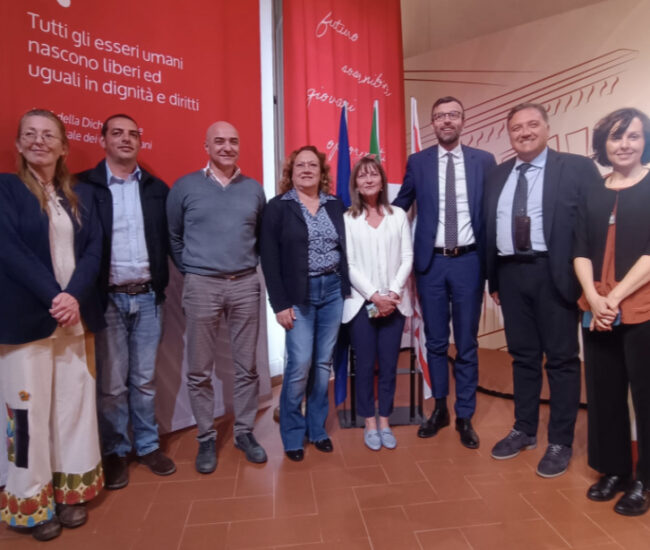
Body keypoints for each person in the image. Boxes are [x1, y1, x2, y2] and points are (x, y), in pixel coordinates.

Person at [0, 109, 105, 541]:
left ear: (63, 146)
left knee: (72, 403)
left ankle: (69, 489)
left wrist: (73, 295)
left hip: (73, 320)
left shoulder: (78, 196)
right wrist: (54, 296)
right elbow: (8, 248)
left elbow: (95, 249)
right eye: (31, 135)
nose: (39, 141)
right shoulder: (5, 189)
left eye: (49, 135)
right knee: (25, 414)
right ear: (20, 145)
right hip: (26, 320)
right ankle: (31, 501)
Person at [484, 102, 600, 477]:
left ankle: (560, 441)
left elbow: (595, 226)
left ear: (548, 128)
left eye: (533, 124)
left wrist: (590, 282)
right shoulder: (498, 175)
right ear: (509, 133)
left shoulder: (577, 169)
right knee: (523, 358)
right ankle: (524, 429)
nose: (525, 132)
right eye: (516, 127)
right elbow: (490, 229)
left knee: (563, 361)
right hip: (511, 276)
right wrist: (494, 280)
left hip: (556, 276)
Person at [77, 114, 176, 490]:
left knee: (145, 381)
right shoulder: (85, 186)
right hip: (108, 300)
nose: (125, 139)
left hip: (149, 297)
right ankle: (116, 452)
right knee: (113, 385)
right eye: (117, 133)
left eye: (132, 134)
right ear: (103, 140)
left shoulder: (155, 188)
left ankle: (147, 446)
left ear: (140, 142)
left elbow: (168, 241)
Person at [393, 96, 495, 449]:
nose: (446, 121)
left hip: (469, 261)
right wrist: (366, 216)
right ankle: (440, 409)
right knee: (435, 341)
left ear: (462, 121)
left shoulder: (484, 161)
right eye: (440, 116)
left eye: (453, 115)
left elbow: (494, 213)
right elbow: (400, 206)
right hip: (431, 265)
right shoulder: (418, 162)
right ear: (432, 124)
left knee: (465, 342)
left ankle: (464, 414)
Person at [167, 121, 267, 473]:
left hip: (244, 284)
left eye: (233, 141)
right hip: (202, 286)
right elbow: (174, 238)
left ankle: (243, 431)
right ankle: (206, 437)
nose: (227, 147)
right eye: (219, 141)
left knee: (247, 368)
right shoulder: (185, 187)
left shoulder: (254, 189)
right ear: (206, 146)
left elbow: (259, 237)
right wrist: (196, 270)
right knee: (199, 369)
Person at [574, 108, 650, 515]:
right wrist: (595, 297)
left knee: (647, 396)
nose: (624, 145)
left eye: (634, 137)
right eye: (617, 137)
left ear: (645, 141)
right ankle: (615, 470)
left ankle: (645, 481)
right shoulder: (593, 191)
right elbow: (580, 250)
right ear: (604, 143)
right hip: (597, 307)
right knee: (604, 394)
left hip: (642, 308)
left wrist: (615, 297)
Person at [260, 145, 350, 462]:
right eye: (301, 165)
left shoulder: (336, 205)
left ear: (322, 172)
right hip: (297, 296)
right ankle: (293, 433)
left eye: (313, 165)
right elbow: (269, 260)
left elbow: (348, 249)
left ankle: (317, 429)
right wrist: (279, 304)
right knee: (299, 365)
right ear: (291, 171)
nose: (307, 170)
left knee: (323, 364)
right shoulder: (278, 207)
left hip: (333, 293)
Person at [342, 156, 413, 450]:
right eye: (363, 176)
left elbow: (407, 257)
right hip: (362, 304)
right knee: (365, 364)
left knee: (387, 365)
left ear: (382, 181)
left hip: (394, 304)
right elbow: (349, 263)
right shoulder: (348, 218)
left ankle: (385, 419)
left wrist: (392, 293)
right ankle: (368, 421)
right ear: (356, 184)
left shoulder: (398, 215)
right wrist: (374, 295)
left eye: (374, 175)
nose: (369, 180)